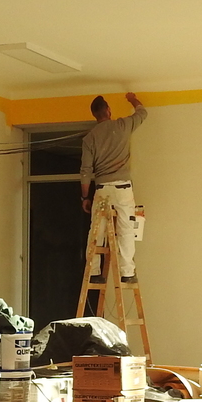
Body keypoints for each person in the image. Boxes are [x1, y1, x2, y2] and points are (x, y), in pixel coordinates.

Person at [79, 92, 148, 282]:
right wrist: (132, 99)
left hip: (102, 191)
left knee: (97, 230)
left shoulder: (90, 139)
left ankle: (94, 272)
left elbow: (85, 171)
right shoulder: (123, 125)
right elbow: (142, 113)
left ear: (94, 114)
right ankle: (127, 273)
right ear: (108, 110)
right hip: (123, 189)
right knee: (126, 230)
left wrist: (85, 197)